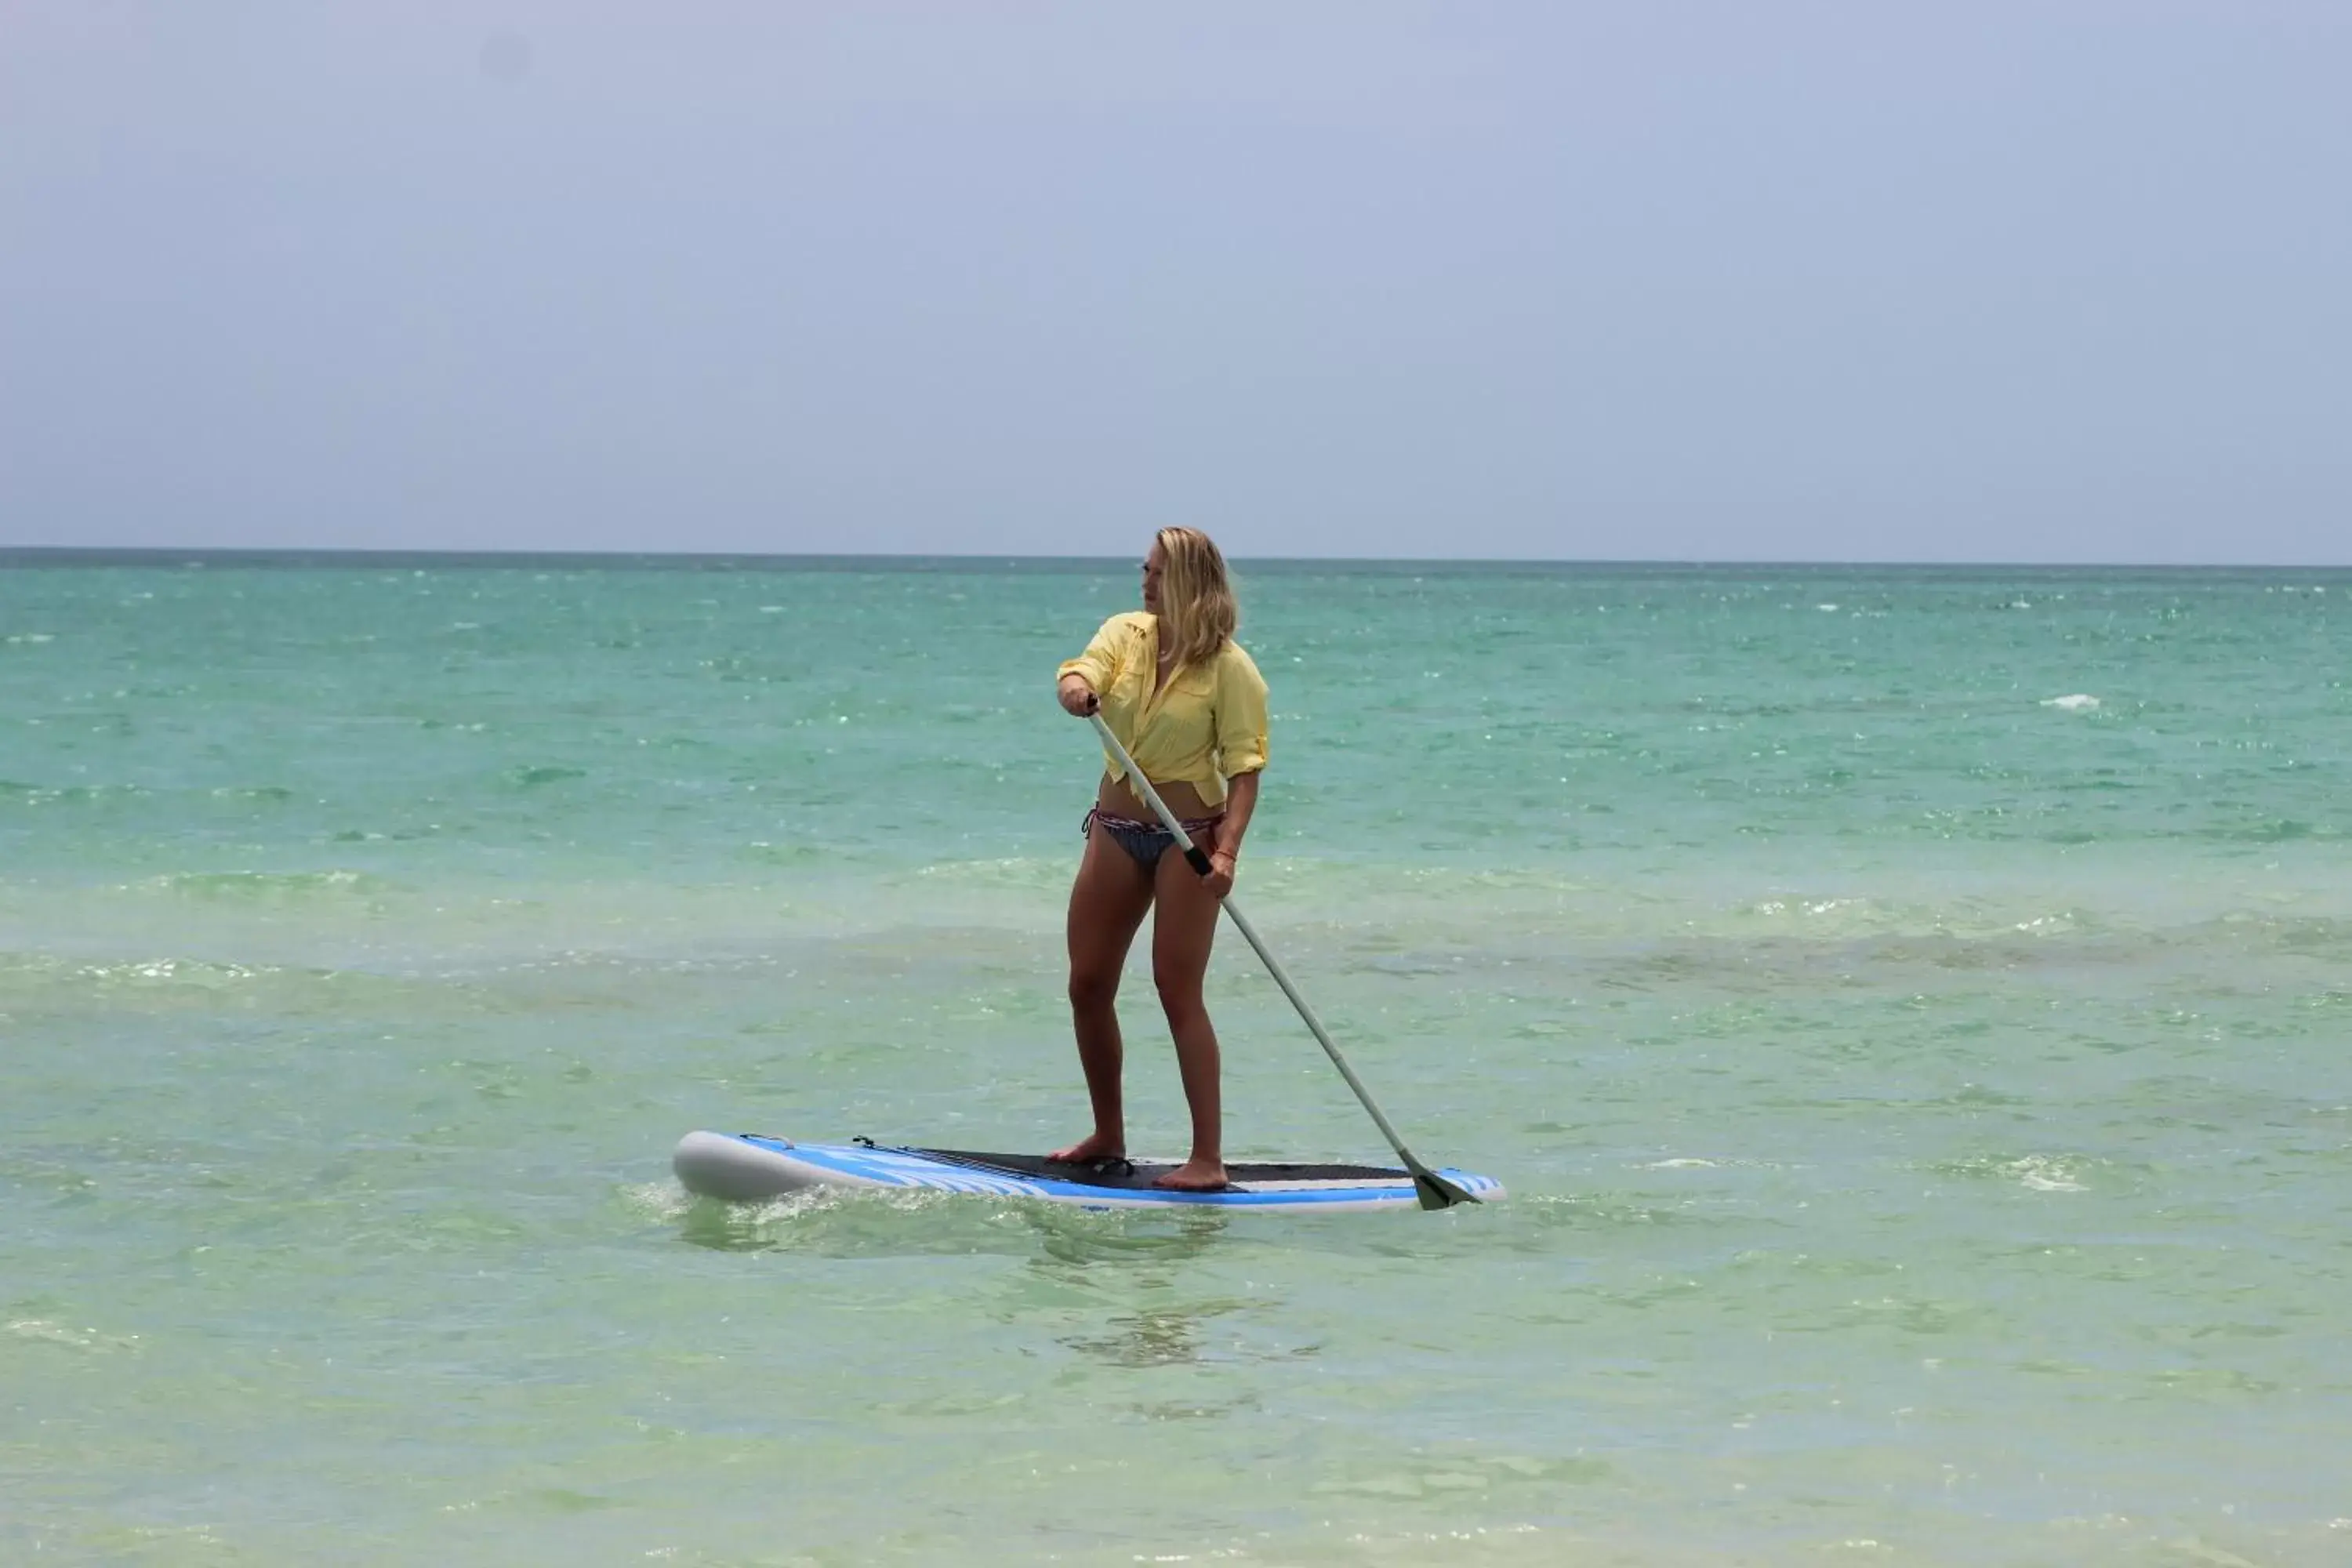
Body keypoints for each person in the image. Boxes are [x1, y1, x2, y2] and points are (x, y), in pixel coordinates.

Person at [1051, 528, 1269, 1191]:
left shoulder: (1232, 669)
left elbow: (1244, 769)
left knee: (1177, 990)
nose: (1144, 582)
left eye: (1155, 573)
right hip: (1116, 828)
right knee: (1087, 983)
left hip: (1189, 840)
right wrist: (1076, 689)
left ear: (1190, 583)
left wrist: (1226, 854)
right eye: (1143, 570)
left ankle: (1207, 1159)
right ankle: (1107, 1134)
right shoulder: (1127, 634)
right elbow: (1081, 670)